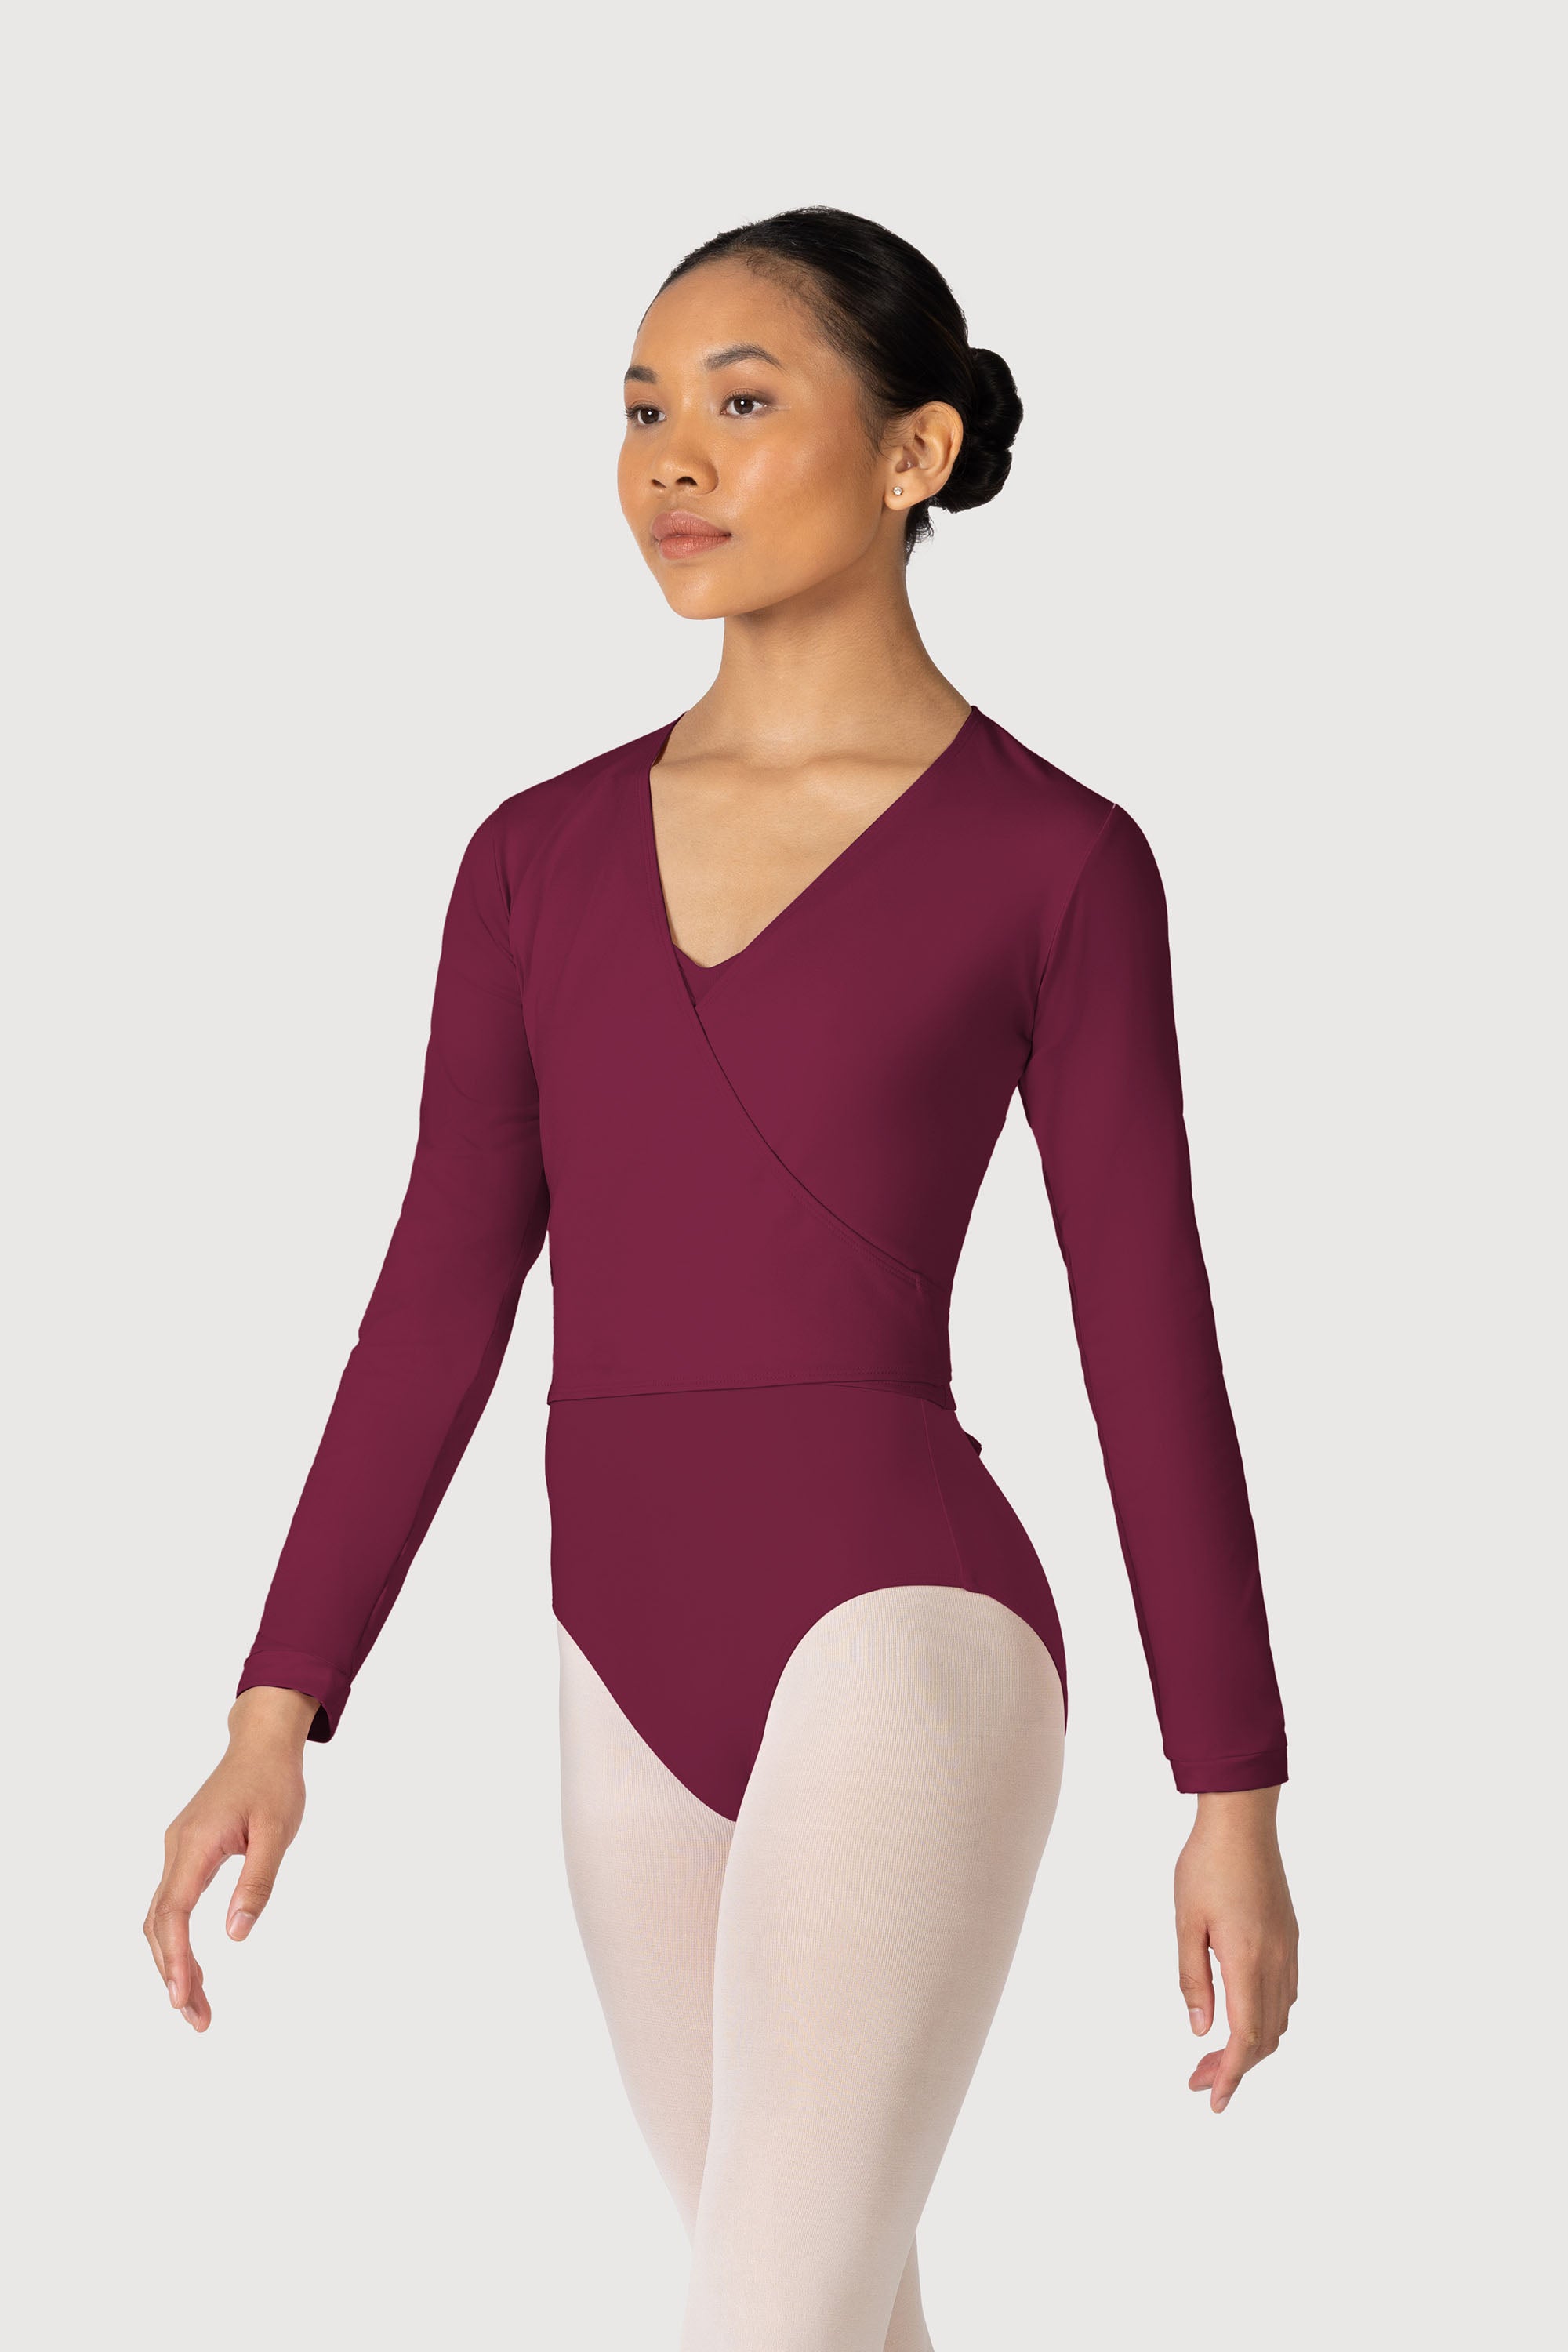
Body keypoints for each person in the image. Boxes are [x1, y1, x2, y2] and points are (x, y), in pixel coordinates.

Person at [145, 206, 1299, 2350]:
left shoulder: (1054, 859)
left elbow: (1148, 1327)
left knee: (760, 2325)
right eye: (641, 409)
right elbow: (439, 1289)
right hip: (619, 1653)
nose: (670, 457)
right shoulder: (533, 856)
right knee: (826, 2319)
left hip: (907, 1630)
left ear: (914, 453)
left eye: (743, 402)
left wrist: (1231, 1789)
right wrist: (276, 1702)